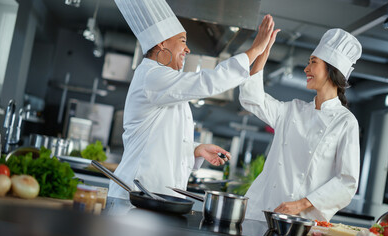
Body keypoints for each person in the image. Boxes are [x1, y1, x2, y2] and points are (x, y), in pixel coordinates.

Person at [108, 0, 275, 200]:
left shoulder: (163, 82)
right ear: (162, 42)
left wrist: (196, 149)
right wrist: (254, 50)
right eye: (182, 41)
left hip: (155, 196)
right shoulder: (152, 77)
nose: (187, 50)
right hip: (135, 196)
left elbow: (161, 138)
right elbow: (207, 82)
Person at [239, 24, 362, 221]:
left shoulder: (345, 122)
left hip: (300, 221)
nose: (306, 68)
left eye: (313, 62)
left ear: (331, 69)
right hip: (260, 212)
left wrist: (301, 204)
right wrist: (263, 51)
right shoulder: (292, 110)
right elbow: (251, 98)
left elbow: (347, 182)